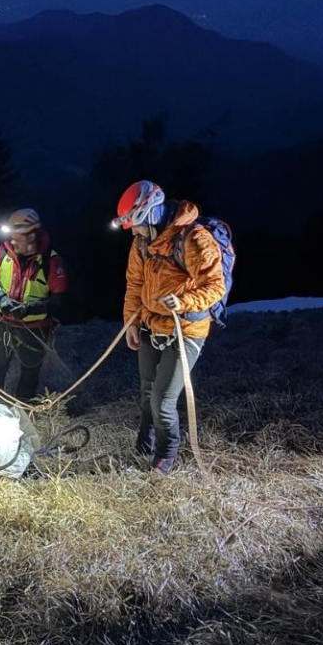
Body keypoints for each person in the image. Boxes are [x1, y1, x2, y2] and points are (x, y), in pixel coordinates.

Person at [114, 180, 225, 474]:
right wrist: (131, 323)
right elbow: (134, 284)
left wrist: (184, 301)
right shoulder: (141, 243)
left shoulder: (195, 239)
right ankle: (145, 440)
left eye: (136, 225)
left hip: (185, 331)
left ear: (150, 214)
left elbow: (215, 286)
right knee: (147, 392)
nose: (134, 232)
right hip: (151, 325)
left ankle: (165, 455)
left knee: (162, 401)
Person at [0, 208, 68, 400]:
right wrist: (1, 299)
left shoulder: (51, 260)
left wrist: (29, 309)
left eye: (16, 237)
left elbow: (59, 300)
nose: (12, 241)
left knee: (29, 378)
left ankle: (22, 415)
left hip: (35, 330)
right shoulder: (3, 251)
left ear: (31, 235)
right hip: (2, 324)